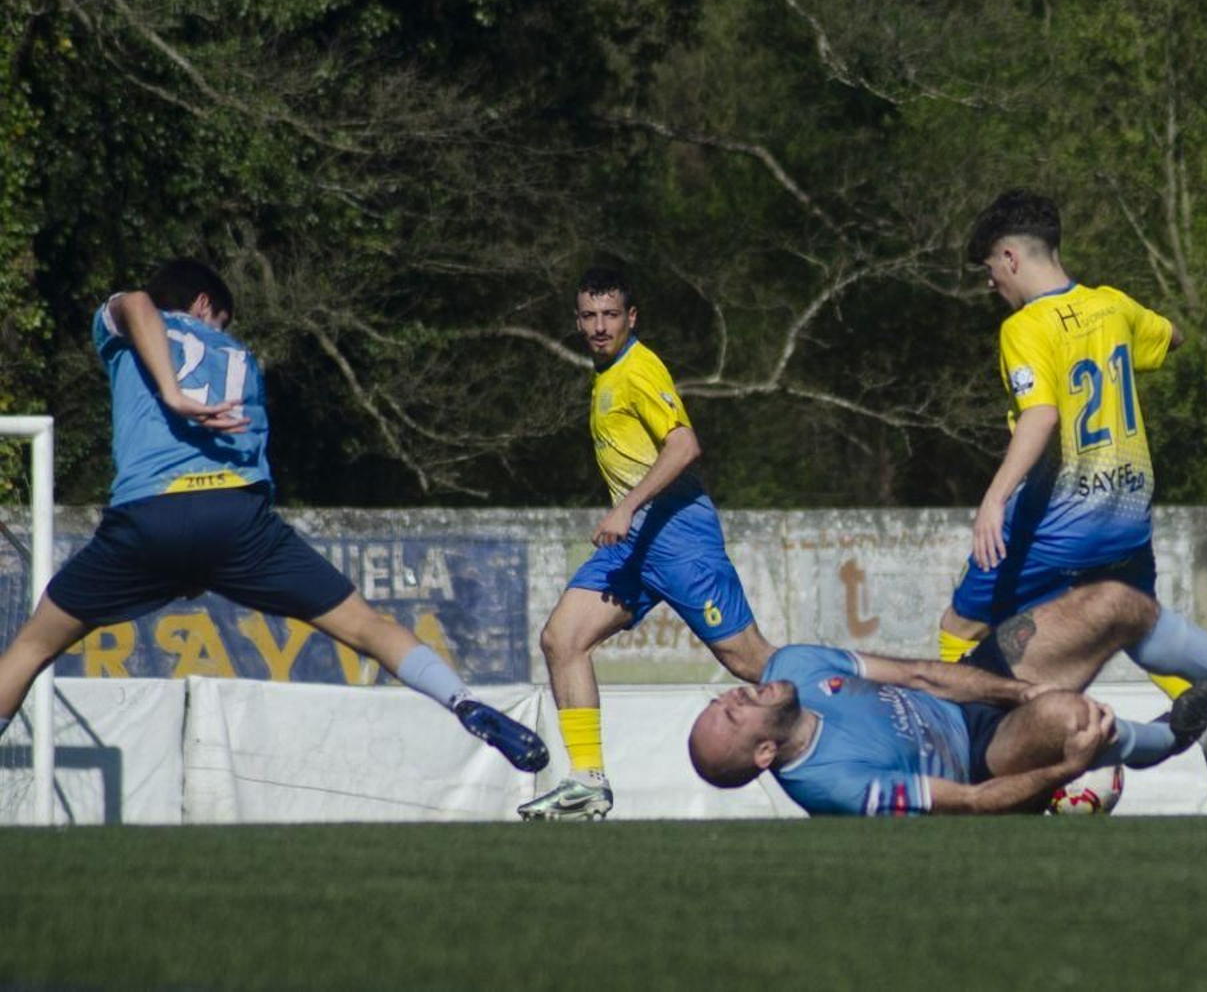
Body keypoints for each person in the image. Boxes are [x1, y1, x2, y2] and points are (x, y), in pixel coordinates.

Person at [0, 259, 547, 774]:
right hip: (237, 519)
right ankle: (462, 699)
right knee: (367, 625)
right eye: (221, 318)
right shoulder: (240, 356)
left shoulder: (129, 326)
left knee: (31, 647)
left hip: (149, 517)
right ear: (204, 303)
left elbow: (136, 302)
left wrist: (171, 394)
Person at [936, 189, 1207, 814]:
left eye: (991, 269)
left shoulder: (1022, 328)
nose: (992, 285)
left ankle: (988, 761)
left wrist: (993, 500)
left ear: (1012, 258)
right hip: (1126, 516)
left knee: (960, 634)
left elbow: (1041, 415)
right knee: (1139, 627)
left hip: (1057, 525)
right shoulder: (1112, 306)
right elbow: (1174, 338)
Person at [519, 267, 776, 820]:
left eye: (610, 315)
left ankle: (854, 698)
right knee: (562, 640)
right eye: (588, 315)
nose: (598, 326)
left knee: (749, 661)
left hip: (677, 536)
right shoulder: (606, 374)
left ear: (631, 318)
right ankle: (587, 781)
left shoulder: (638, 368)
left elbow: (684, 445)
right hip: (632, 547)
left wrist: (627, 506)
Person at [688, 642, 1207, 816]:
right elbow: (968, 800)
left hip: (970, 701)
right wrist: (1067, 768)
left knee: (1075, 602)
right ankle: (1165, 738)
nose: (734, 694)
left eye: (723, 699)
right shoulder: (836, 787)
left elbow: (918, 673)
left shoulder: (794, 664)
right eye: (733, 713)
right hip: (982, 754)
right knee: (1070, 718)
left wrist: (1014, 689)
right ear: (764, 752)